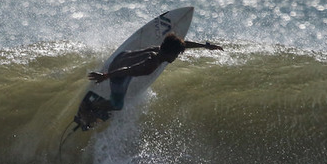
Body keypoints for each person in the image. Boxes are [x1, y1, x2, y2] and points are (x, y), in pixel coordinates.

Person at [74, 33, 222, 129]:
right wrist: (106, 76)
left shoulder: (159, 50)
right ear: (171, 54)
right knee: (117, 105)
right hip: (119, 72)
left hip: (121, 56)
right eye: (176, 55)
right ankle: (90, 105)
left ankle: (96, 104)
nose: (176, 58)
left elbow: (183, 44)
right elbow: (129, 70)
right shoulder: (152, 64)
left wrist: (205, 46)